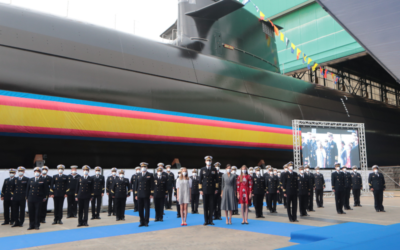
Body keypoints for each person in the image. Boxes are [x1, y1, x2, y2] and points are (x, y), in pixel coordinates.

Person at [199, 156, 218, 226]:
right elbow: (200, 180)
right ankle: (206, 221)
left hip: (212, 190)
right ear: (205, 161)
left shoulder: (214, 169)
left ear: (211, 161)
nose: (208, 161)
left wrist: (216, 189)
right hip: (204, 190)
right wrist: (200, 189)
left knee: (211, 206)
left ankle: (211, 220)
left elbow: (217, 181)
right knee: (205, 206)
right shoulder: (202, 169)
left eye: (209, 160)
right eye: (207, 160)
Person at [135, 162, 154, 227]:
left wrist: (151, 194)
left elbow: (152, 185)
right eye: (142, 167)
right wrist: (136, 194)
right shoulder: (138, 175)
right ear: (140, 168)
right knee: (140, 208)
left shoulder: (150, 175)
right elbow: (136, 185)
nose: (143, 168)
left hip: (147, 194)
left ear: (147, 167)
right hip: (140, 194)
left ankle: (146, 221)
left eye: (144, 167)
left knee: (147, 208)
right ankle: (141, 221)